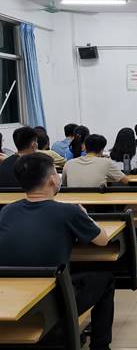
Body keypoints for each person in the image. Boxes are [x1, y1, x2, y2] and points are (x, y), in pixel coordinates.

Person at [0, 153, 115, 350]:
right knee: (106, 279)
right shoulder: (69, 211)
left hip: (11, 295)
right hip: (54, 299)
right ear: (52, 180)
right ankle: (100, 346)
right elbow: (103, 240)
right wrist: (86, 216)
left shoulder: (7, 211)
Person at [62, 134, 129, 187]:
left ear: (85, 147)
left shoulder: (69, 163)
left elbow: (64, 184)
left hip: (73, 200)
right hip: (98, 200)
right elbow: (126, 181)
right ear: (102, 150)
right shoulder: (106, 162)